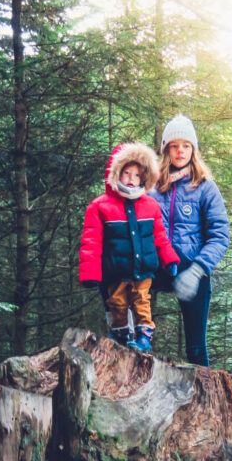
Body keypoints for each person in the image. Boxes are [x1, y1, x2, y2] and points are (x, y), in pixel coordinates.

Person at [79, 142, 179, 352]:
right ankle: (122, 333)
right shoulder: (100, 206)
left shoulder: (150, 205)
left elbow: (160, 237)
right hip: (115, 270)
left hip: (143, 269)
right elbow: (91, 242)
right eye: (126, 173)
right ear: (115, 173)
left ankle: (144, 336)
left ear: (144, 177)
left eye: (136, 175)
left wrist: (169, 259)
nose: (131, 180)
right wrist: (90, 273)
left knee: (142, 301)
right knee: (117, 302)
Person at [150, 114, 230, 366]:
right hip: (157, 266)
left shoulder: (205, 187)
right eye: (174, 145)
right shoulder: (152, 186)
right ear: (166, 150)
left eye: (186, 145)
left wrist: (197, 271)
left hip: (192, 268)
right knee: (136, 335)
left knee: (196, 348)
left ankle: (203, 401)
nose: (180, 151)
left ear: (193, 149)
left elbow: (220, 236)